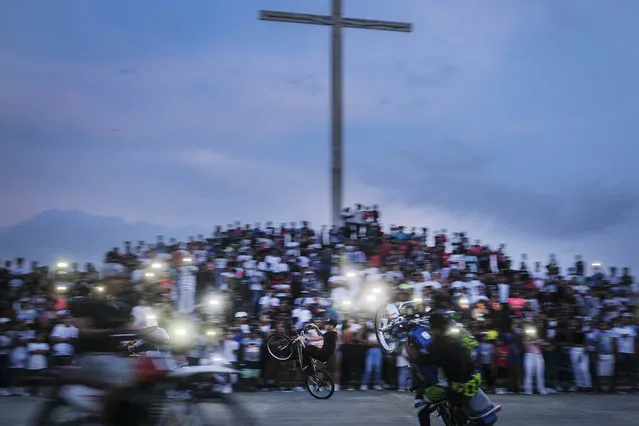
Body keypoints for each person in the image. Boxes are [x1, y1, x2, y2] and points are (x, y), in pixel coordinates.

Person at [405, 313, 500, 426]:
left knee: (420, 402)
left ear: (433, 328)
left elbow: (419, 360)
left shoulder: (437, 345)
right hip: (473, 380)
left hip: (455, 387)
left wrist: (404, 342)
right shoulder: (459, 339)